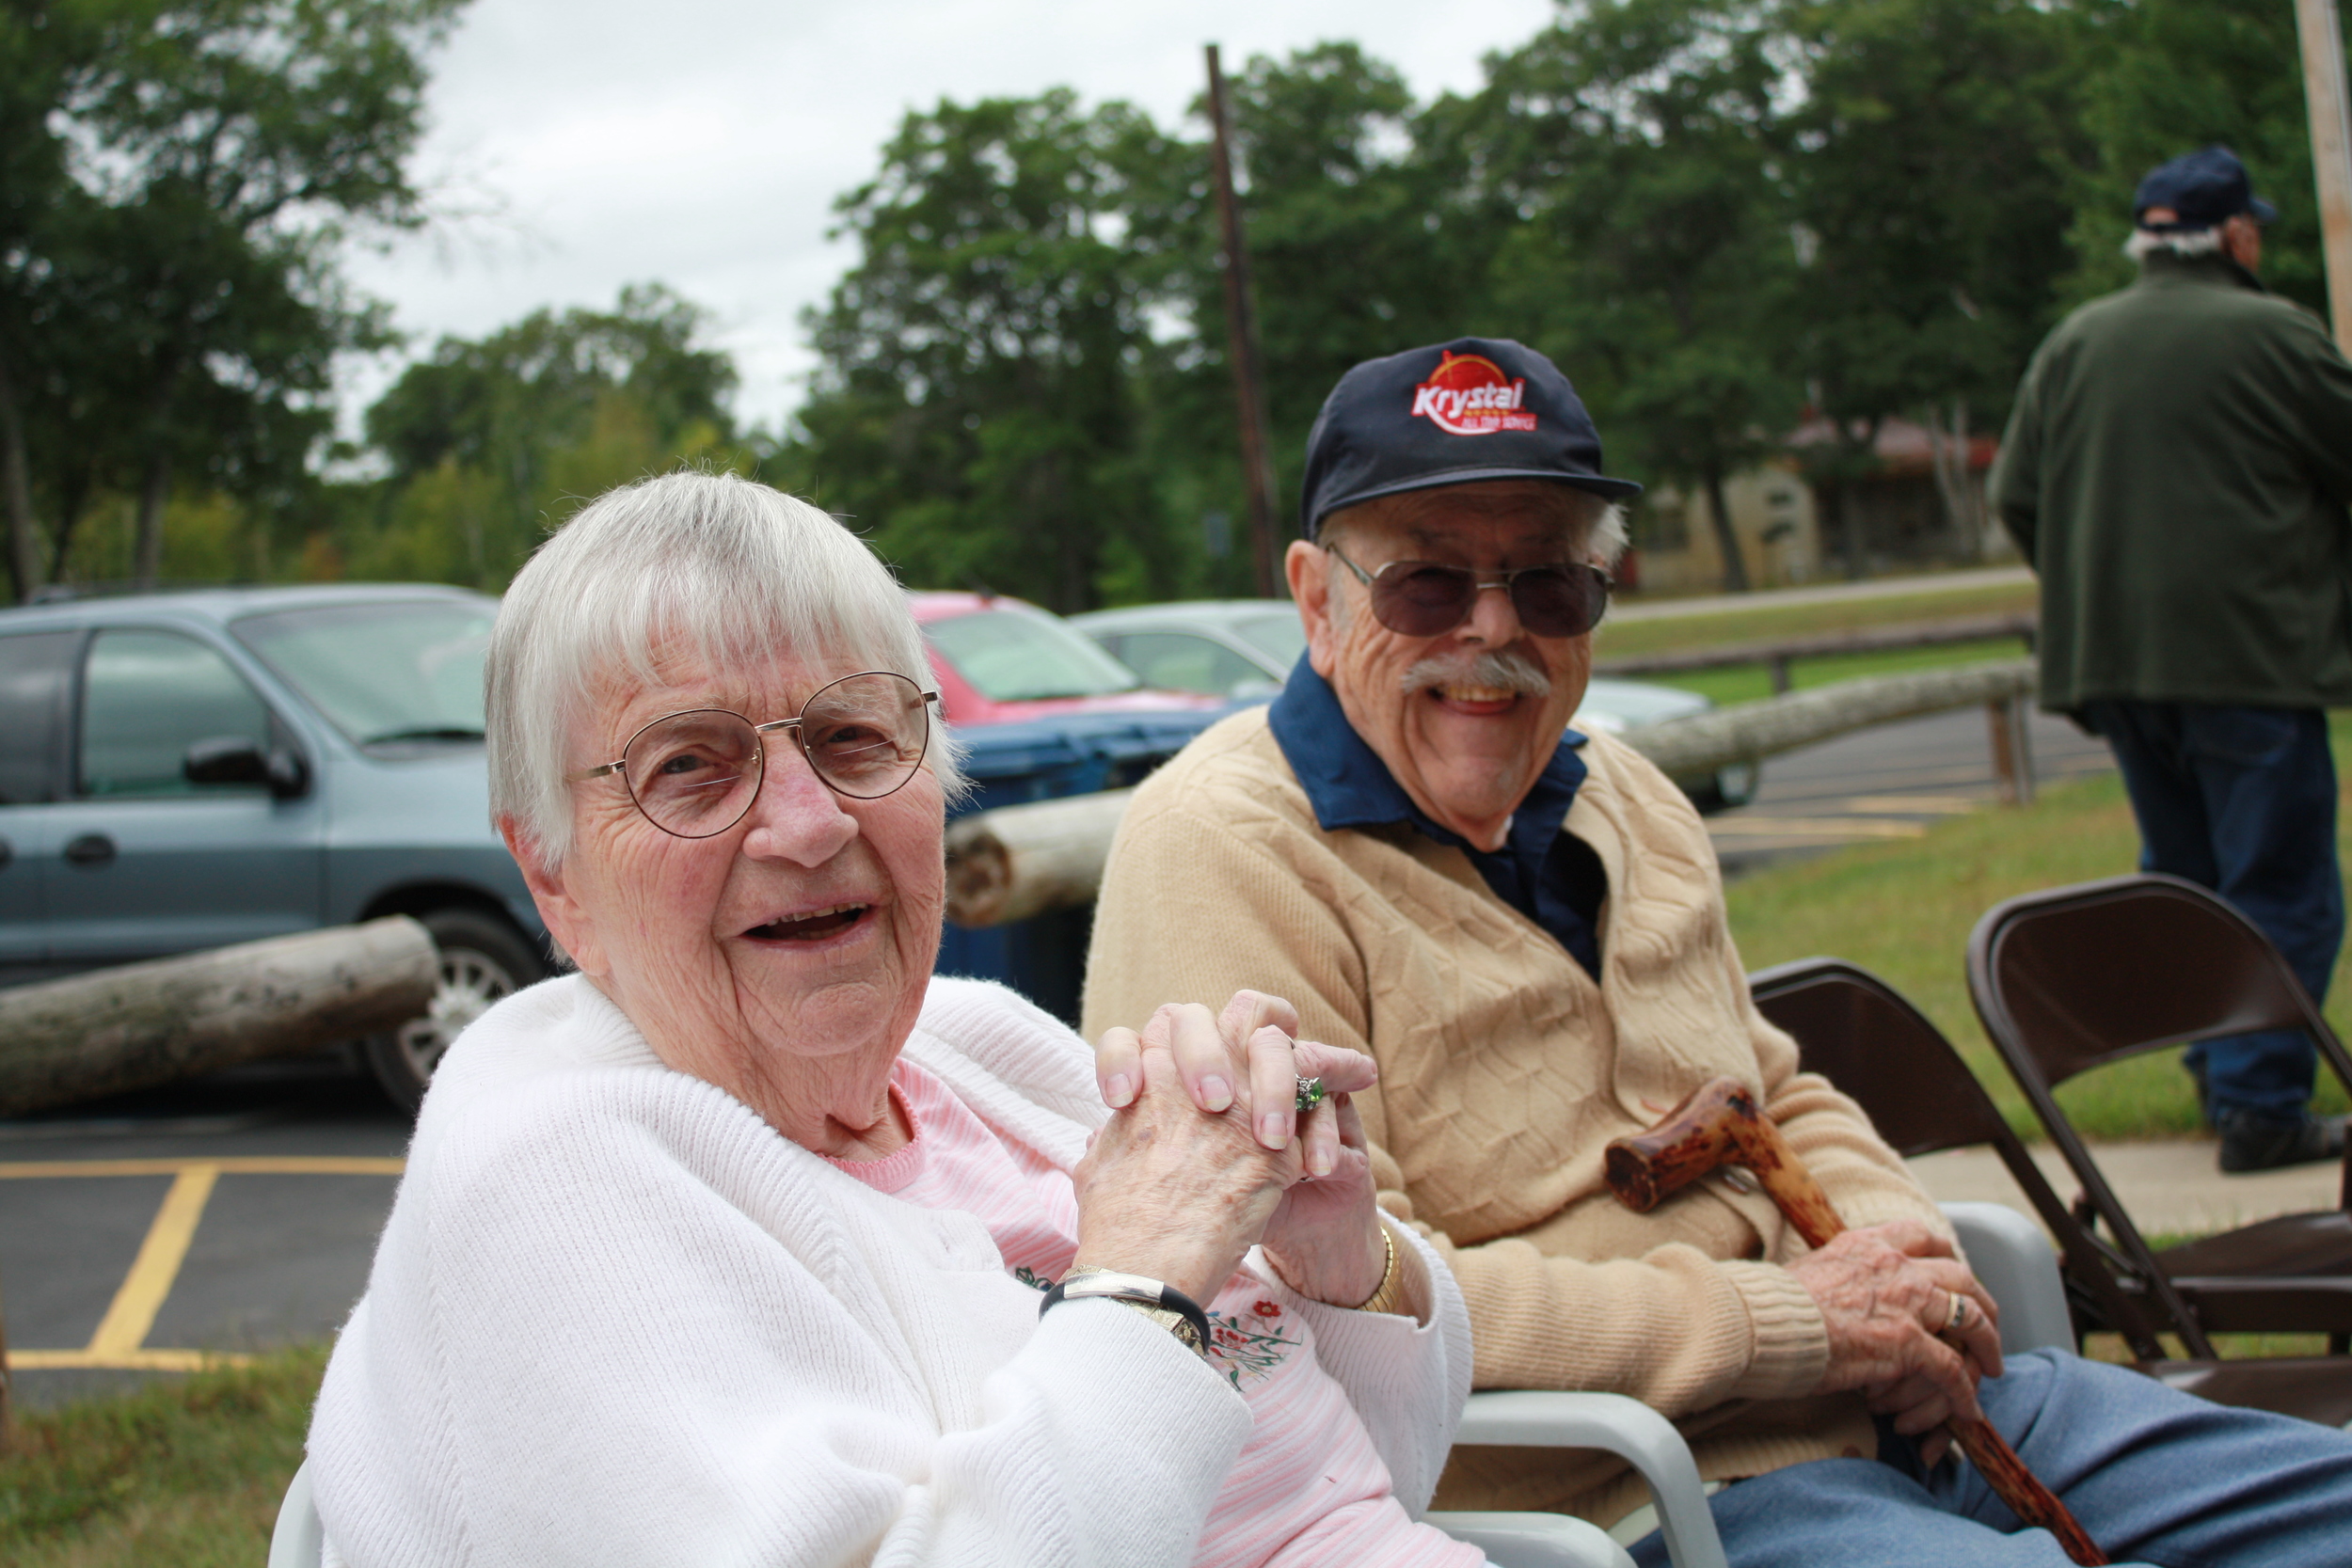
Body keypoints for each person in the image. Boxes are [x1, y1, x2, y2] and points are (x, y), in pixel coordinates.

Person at [1086, 337, 2352, 1566]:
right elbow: (1339, 1295)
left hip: (1905, 1403)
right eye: (1426, 582)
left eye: (1549, 582)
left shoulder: (1624, 793)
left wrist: (1907, 1259)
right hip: (1633, 1490)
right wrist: (1797, 1326)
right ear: (1316, 598)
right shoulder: (1227, 845)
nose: (1494, 630)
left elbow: (1777, 1089)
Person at [304, 470, 1497, 1567]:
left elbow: (1365, 1484)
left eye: (852, 736)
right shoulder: (556, 1184)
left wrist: (1339, 1255)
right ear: (552, 875)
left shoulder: (972, 1048)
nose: (810, 821)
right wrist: (1140, 1282)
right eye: (690, 766)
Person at [1992, 145, 2352, 1173]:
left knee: (2184, 884)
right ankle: (2259, 1107)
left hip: (2116, 665)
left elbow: (2015, 494)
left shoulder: (2074, 339)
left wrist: (2098, 586)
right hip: (2251, 656)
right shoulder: (2274, 331)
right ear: (2236, 236)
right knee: (2278, 883)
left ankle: (2220, 1073)